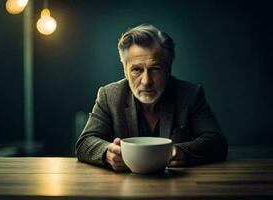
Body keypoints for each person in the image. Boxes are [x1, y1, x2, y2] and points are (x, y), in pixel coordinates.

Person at [76, 24, 228, 171]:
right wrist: (107, 153)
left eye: (155, 69)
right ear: (125, 71)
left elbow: (217, 142)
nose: (146, 81)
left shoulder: (191, 95)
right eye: (136, 69)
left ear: (168, 70)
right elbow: (84, 143)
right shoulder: (109, 95)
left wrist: (181, 152)